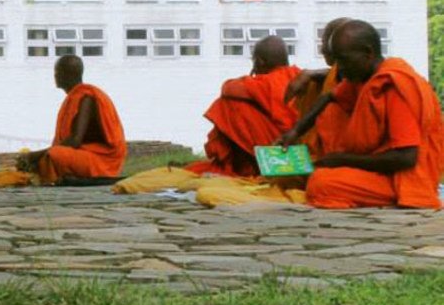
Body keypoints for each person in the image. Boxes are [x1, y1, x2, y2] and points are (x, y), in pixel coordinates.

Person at [279, 19, 443, 208]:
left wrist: (343, 160)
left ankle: (398, 199)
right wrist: (295, 132)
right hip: (381, 169)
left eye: (343, 60)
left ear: (367, 53)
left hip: (404, 179)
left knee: (322, 183)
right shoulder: (363, 77)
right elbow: (328, 97)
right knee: (315, 175)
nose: (339, 69)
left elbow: (406, 158)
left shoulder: (392, 85)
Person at [186, 36, 301, 176]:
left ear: (260, 61)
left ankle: (244, 166)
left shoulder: (265, 82)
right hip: (302, 152)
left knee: (228, 106)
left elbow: (228, 88)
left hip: (280, 151)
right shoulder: (299, 76)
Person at [17, 55, 126, 184]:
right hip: (85, 153)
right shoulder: (73, 97)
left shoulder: (87, 97)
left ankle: (70, 176)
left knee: (54, 156)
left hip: (103, 160)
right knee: (47, 158)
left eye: (58, 72)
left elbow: (75, 140)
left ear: (68, 74)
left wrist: (35, 155)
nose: (55, 76)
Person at [284, 17, 352, 157]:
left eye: (326, 43)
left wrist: (313, 73)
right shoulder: (323, 80)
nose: (322, 50)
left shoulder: (372, 80)